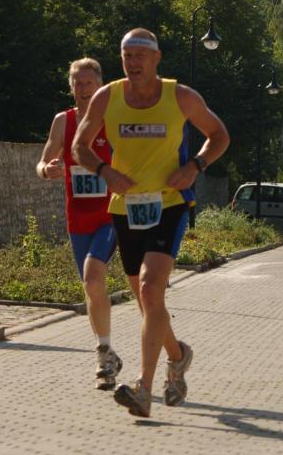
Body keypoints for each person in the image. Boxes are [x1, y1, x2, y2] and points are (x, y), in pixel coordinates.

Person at [73, 28, 229, 417]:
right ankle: (178, 356)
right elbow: (79, 146)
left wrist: (195, 166)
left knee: (150, 287)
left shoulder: (181, 96)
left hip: (169, 203)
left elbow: (219, 135)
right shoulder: (107, 96)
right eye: (127, 56)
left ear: (156, 59)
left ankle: (144, 388)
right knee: (148, 302)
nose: (133, 62)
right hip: (125, 208)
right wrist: (105, 171)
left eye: (141, 55)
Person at [36, 58, 121, 390]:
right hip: (78, 219)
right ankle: (107, 350)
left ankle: (102, 355)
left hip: (111, 214)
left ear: (100, 85)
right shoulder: (63, 121)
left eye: (89, 83)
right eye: (78, 84)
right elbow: (43, 162)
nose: (84, 89)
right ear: (71, 87)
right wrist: (48, 170)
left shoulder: (114, 118)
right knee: (90, 286)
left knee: (93, 276)